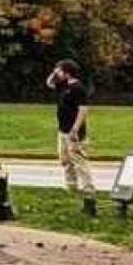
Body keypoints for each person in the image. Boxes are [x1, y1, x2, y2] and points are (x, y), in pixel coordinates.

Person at [46, 59, 95, 215]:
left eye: (59, 70)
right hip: (62, 131)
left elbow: (83, 109)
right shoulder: (63, 85)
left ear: (67, 72)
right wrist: (54, 73)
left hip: (74, 133)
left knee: (80, 163)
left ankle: (89, 195)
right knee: (65, 160)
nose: (56, 72)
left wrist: (76, 128)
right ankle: (71, 188)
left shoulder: (77, 88)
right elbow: (49, 83)